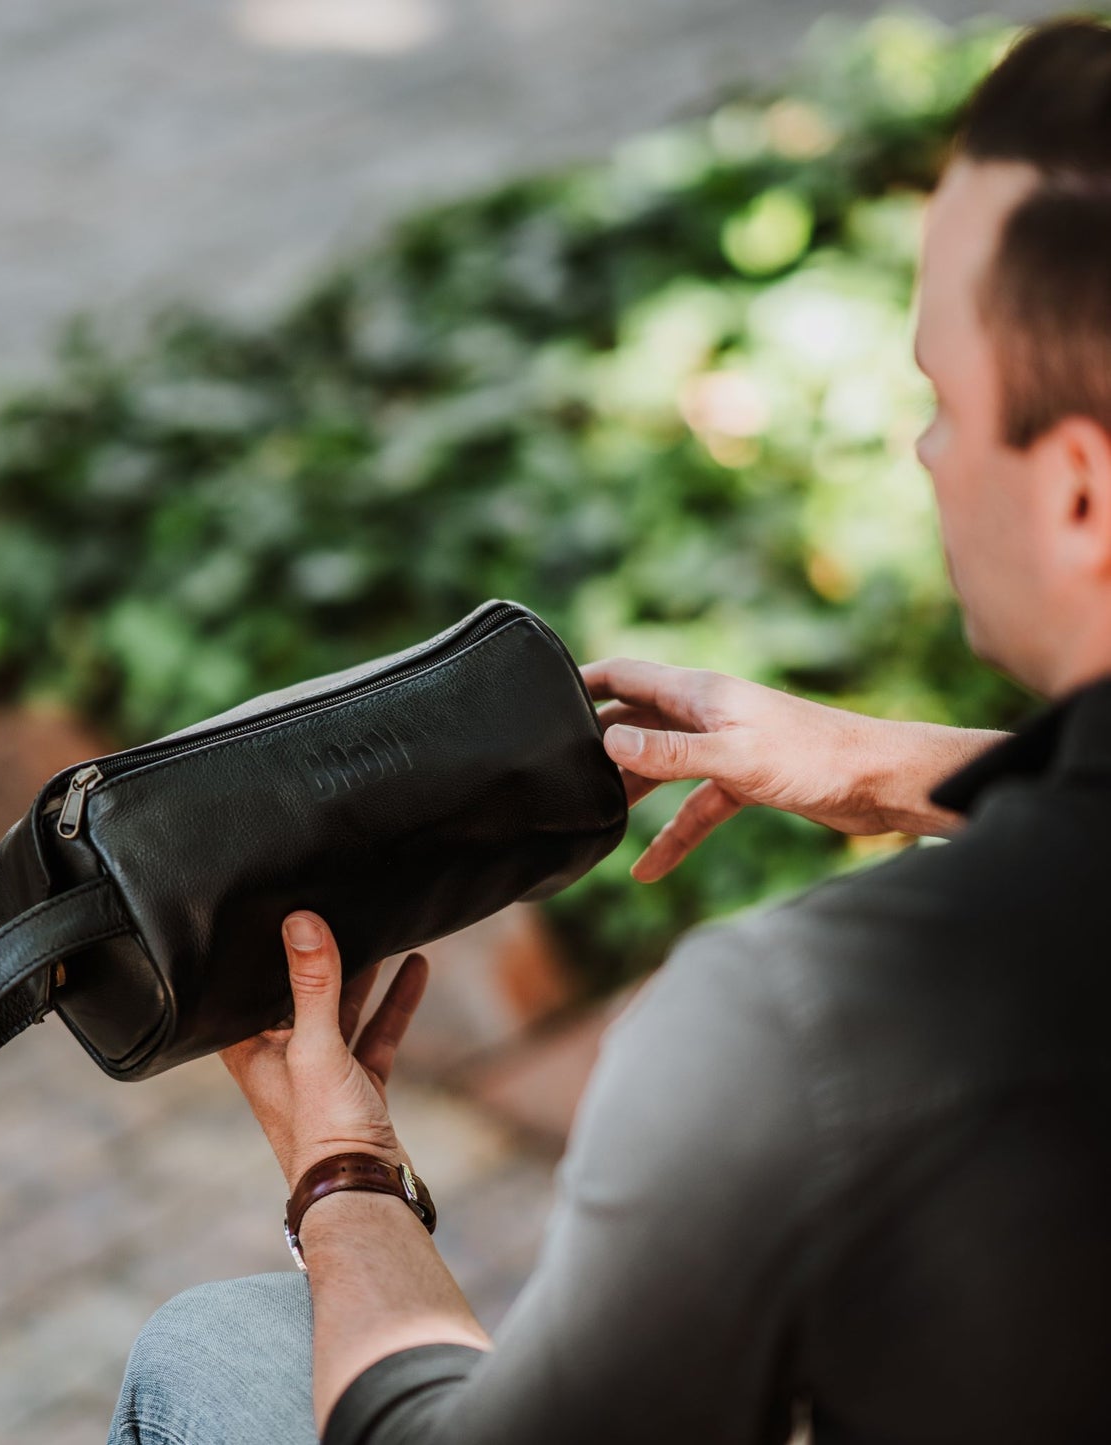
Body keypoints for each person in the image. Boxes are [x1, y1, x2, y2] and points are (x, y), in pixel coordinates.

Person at [107, 17, 1111, 1444]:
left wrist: (343, 1176)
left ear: (1076, 490)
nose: (922, 449)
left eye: (945, 401)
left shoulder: (818, 1024)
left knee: (211, 1355)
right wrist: (894, 766)